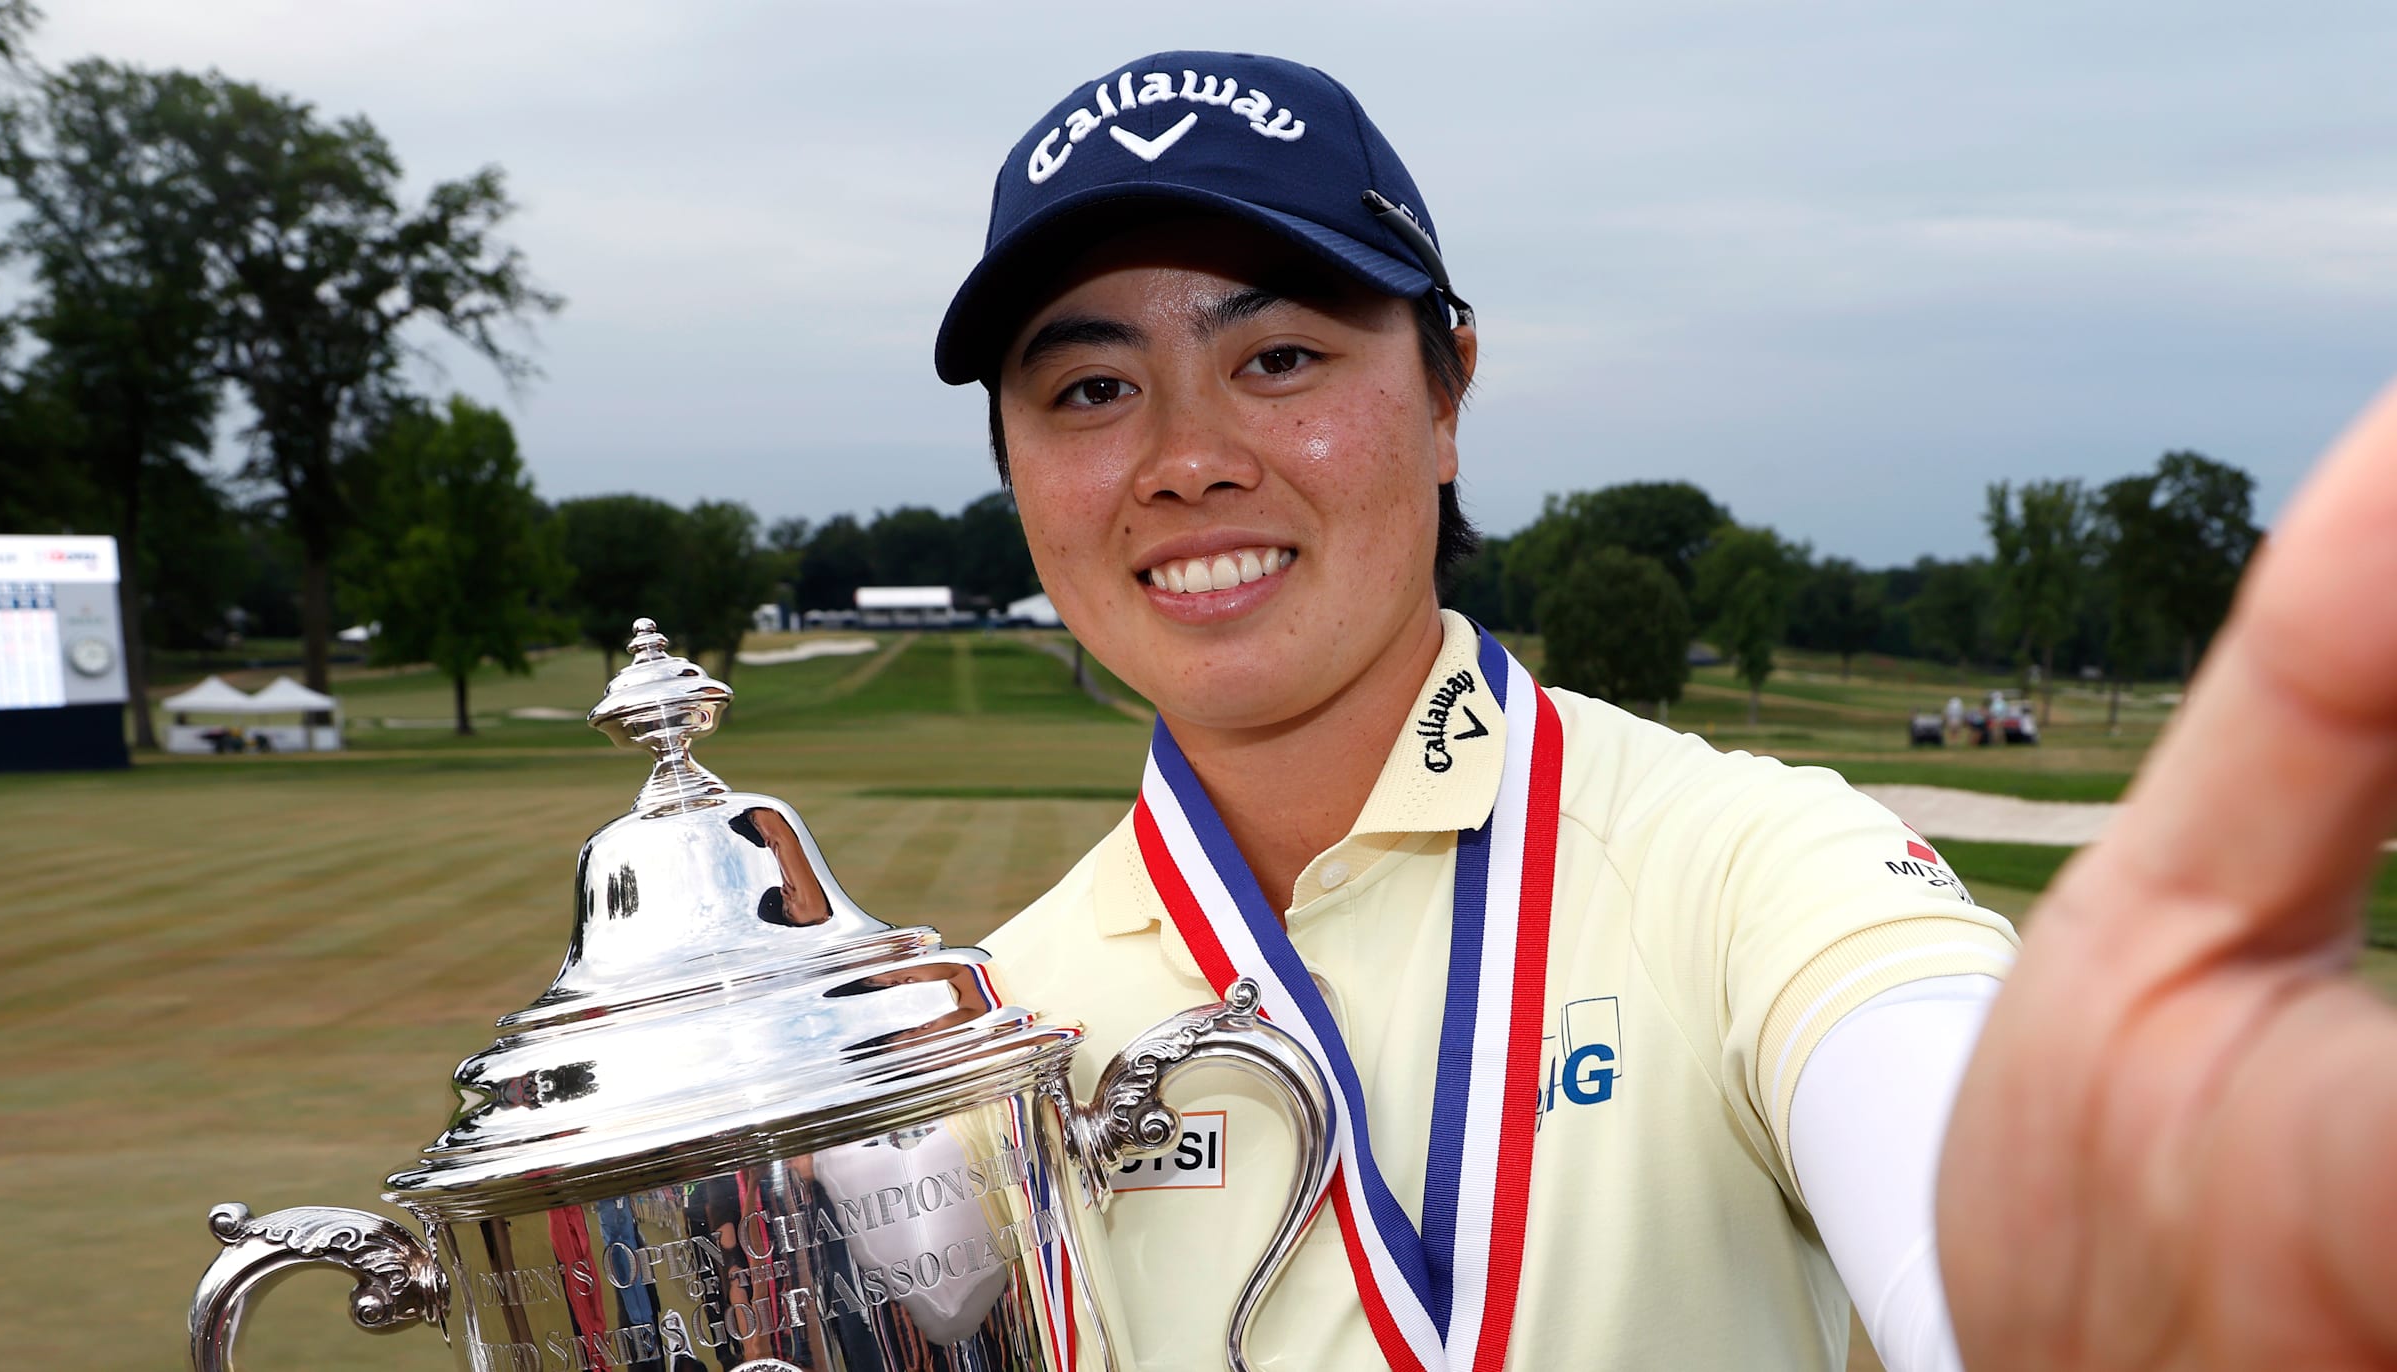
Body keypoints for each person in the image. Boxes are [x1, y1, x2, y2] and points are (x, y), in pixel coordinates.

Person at [948, 50, 2397, 1372]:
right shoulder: (984, 1040)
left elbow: (1949, 1171)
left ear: (1448, 394)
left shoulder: (1753, 864)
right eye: (1091, 388)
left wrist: (2081, 1297)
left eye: (1278, 359)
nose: (1186, 459)